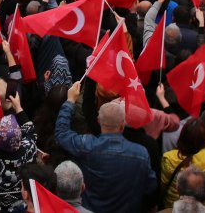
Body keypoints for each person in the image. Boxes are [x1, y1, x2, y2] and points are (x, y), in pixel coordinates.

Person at [55, 82, 156, 213]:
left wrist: (70, 101)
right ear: (122, 126)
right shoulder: (141, 154)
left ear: (98, 121)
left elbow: (61, 134)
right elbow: (151, 187)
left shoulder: (86, 145)